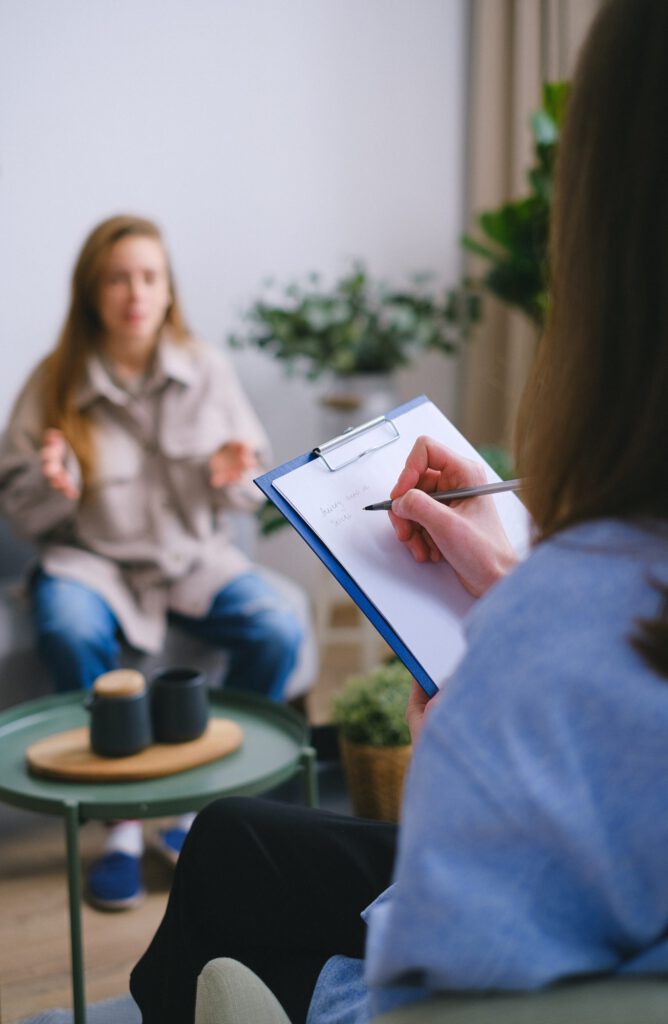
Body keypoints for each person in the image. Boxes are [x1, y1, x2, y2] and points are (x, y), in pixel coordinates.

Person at [130, 0, 668, 1020]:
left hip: (442, 954)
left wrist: (449, 777)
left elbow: (408, 1002)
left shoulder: (554, 657)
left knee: (229, 885)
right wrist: (510, 586)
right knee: (238, 834)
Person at [0, 214, 303, 911]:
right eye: (116, 277)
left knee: (279, 629)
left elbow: (244, 493)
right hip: (93, 564)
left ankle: (204, 815)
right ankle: (122, 828)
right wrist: (53, 487)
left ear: (169, 290)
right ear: (90, 292)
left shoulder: (208, 369)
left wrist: (233, 477)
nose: (134, 292)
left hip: (193, 561)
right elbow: (19, 515)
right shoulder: (51, 381)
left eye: (149, 276)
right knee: (67, 624)